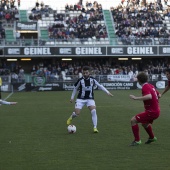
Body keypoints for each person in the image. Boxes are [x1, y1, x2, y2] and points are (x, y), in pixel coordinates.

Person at [66, 66, 113, 133]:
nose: (85, 74)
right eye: (84, 73)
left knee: (93, 111)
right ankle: (72, 116)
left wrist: (107, 92)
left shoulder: (92, 79)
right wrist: (72, 98)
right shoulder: (80, 80)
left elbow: (100, 86)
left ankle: (95, 127)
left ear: (89, 73)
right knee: (77, 114)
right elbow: (75, 88)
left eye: (86, 73)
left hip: (90, 99)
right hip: (80, 99)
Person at [129, 72, 161, 146]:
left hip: (151, 112)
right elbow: (158, 95)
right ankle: (152, 137)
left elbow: (149, 96)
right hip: (156, 111)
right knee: (145, 124)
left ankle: (137, 141)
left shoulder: (145, 87)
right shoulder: (150, 85)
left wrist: (135, 98)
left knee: (133, 120)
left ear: (139, 80)